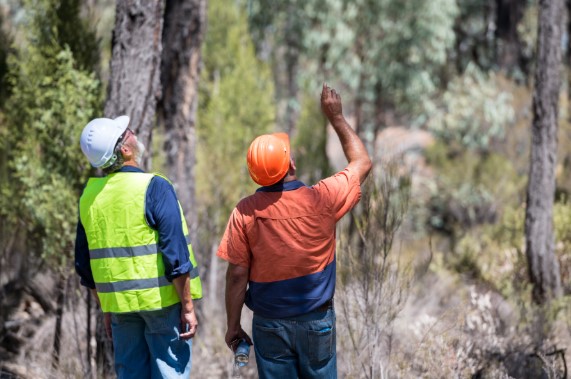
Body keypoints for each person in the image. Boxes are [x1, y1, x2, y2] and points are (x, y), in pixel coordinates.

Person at [217, 83, 372, 378]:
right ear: (291, 163)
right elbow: (362, 163)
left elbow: (237, 275)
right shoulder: (323, 199)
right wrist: (336, 117)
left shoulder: (245, 212)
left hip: (269, 324)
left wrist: (233, 326)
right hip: (317, 321)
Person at [74, 115, 203, 379]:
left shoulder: (89, 197)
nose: (133, 132)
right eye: (128, 131)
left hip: (121, 309)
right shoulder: (154, 186)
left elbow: (84, 266)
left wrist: (107, 308)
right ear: (125, 148)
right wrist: (188, 307)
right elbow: (175, 255)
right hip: (163, 305)